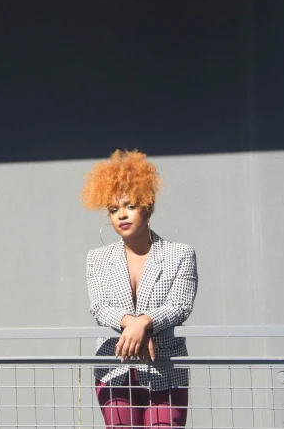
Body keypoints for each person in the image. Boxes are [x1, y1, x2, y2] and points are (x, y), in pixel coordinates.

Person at [81, 149, 198, 428]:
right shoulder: (97, 258)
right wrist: (130, 324)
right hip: (113, 369)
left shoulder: (180, 254)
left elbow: (180, 306)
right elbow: (99, 307)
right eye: (113, 210)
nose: (121, 215)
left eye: (130, 205)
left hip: (165, 369)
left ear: (148, 205)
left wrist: (145, 322)